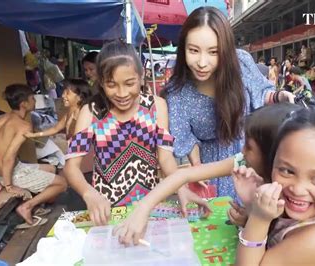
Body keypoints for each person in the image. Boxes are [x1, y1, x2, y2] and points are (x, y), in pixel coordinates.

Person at [63, 41, 208, 226]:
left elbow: (165, 159)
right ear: (100, 82)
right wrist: (88, 193)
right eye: (111, 85)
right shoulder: (91, 112)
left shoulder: (157, 106)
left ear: (141, 77)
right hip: (109, 212)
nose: (122, 93)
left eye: (130, 83)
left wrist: (180, 187)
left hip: (152, 207)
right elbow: (71, 167)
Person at [115, 103, 302, 245]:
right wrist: (143, 208)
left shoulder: (296, 197)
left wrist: (254, 218)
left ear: (271, 153)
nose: (242, 150)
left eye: (249, 147)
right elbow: (184, 175)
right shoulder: (243, 161)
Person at [164, 7, 293, 200]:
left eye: (213, 52)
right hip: (211, 173)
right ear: (183, 48)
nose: (202, 62)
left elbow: (261, 93)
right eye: (193, 51)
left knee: (257, 220)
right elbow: (187, 142)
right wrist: (198, 172)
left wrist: (280, 97)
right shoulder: (177, 91)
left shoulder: (240, 62)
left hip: (251, 163)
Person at [235, 109, 315, 266]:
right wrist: (253, 204)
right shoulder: (314, 210)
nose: (298, 189)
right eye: (287, 171)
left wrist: (258, 218)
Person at [0, 84, 68, 225]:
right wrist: (8, 186)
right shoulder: (23, 125)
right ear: (24, 104)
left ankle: (36, 206)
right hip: (8, 174)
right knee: (62, 183)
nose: (35, 101)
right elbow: (9, 157)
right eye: (32, 98)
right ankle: (27, 207)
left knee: (51, 168)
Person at [25, 79, 92, 141]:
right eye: (64, 92)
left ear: (80, 97)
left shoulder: (84, 116)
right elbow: (55, 129)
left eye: (67, 93)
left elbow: (80, 142)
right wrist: (34, 135)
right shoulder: (70, 113)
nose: (63, 95)